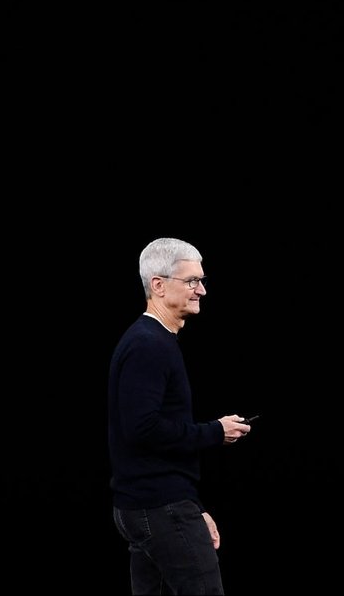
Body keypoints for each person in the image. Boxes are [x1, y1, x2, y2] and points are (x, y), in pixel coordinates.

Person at [107, 237, 251, 595]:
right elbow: (143, 429)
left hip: (153, 504)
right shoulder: (148, 345)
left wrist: (194, 507)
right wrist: (215, 432)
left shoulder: (154, 340)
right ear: (158, 285)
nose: (201, 290)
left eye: (201, 280)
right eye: (192, 281)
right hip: (159, 507)